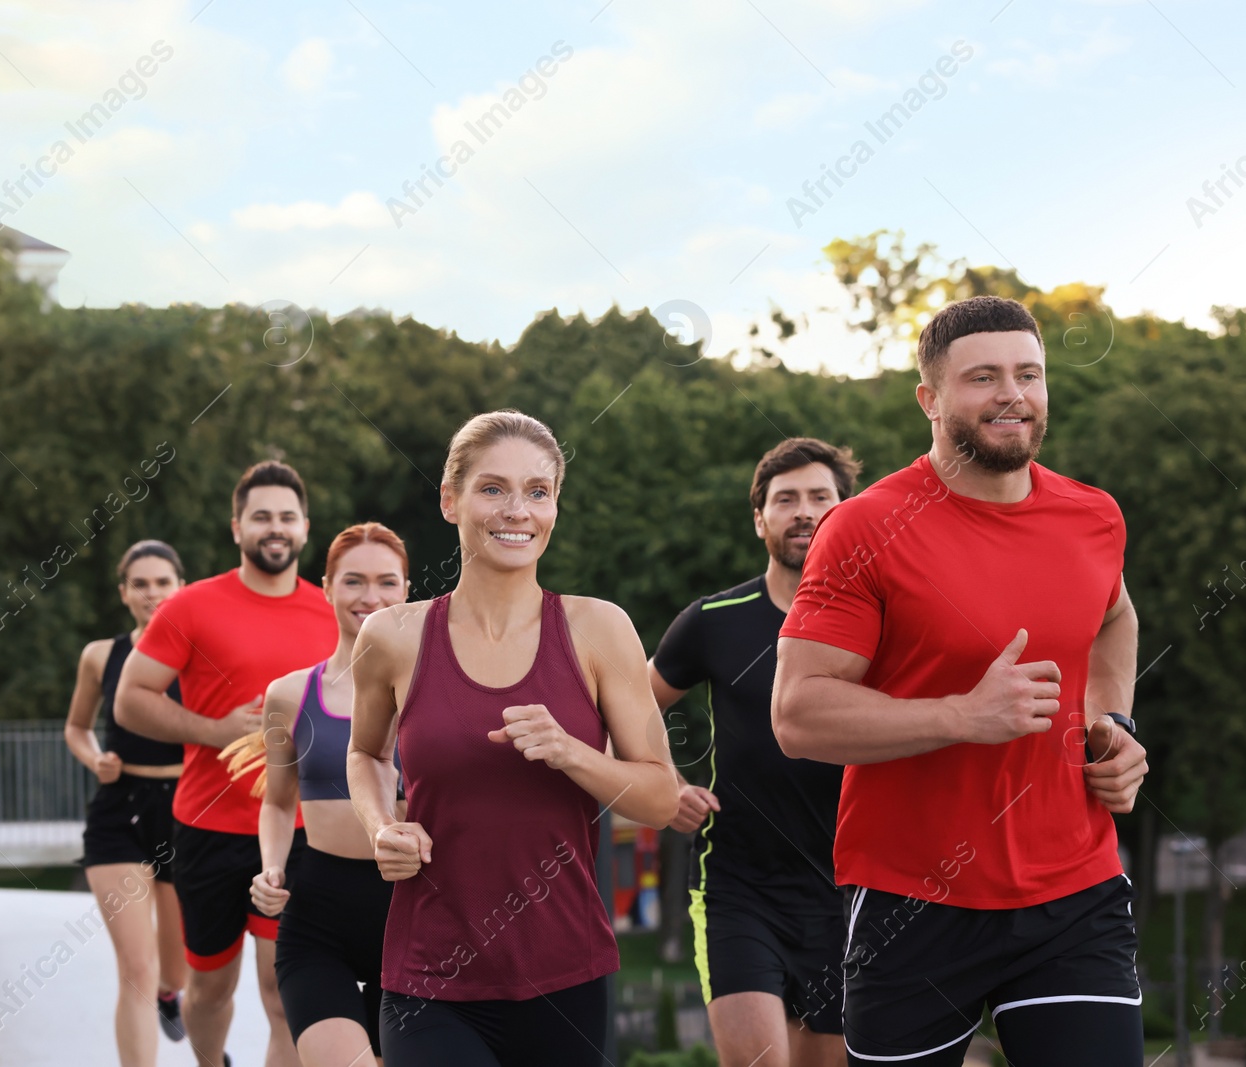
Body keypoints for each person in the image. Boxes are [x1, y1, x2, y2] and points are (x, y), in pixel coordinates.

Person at [772, 296, 1150, 1066]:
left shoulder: (1094, 516)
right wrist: (960, 715)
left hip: (1074, 887)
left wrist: (1110, 723)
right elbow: (798, 714)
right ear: (931, 399)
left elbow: (1115, 618)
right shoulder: (865, 526)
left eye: (1029, 374)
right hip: (913, 903)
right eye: (983, 377)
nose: (1013, 393)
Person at [347, 409, 680, 1067]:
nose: (517, 510)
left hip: (566, 976)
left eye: (538, 490)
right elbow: (365, 752)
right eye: (493, 488)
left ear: (555, 504)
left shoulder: (600, 629)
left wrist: (571, 752)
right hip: (429, 976)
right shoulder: (391, 636)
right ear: (451, 500)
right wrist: (381, 823)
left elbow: (662, 798)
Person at [117, 461, 339, 1067]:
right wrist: (216, 731)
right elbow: (131, 701)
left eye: (287, 517)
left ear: (305, 528)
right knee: (210, 990)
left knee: (283, 994)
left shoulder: (331, 613)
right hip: (207, 830)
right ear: (236, 526)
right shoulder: (190, 607)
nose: (275, 528)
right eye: (261, 516)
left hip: (298, 834)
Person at [649, 438, 859, 1067]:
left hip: (850, 887)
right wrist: (664, 780)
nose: (803, 511)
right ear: (760, 519)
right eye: (784, 499)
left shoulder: (881, 619)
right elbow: (631, 704)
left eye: (820, 497)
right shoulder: (713, 620)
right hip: (737, 886)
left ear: (846, 511)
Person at [243, 522, 411, 1067]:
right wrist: (272, 868)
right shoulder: (288, 695)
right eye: (353, 581)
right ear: (327, 587)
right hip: (320, 919)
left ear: (407, 589)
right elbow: (276, 799)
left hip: (416, 919)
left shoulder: (434, 694)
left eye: (387, 582)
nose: (371, 597)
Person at [65, 539, 190, 1065]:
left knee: (177, 964)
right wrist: (96, 761)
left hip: (188, 809)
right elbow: (75, 728)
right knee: (135, 969)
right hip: (120, 809)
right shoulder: (100, 655)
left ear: (180, 587)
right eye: (140, 584)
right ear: (124, 593)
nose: (152, 593)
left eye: (162, 582)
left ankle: (171, 994)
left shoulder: (200, 652)